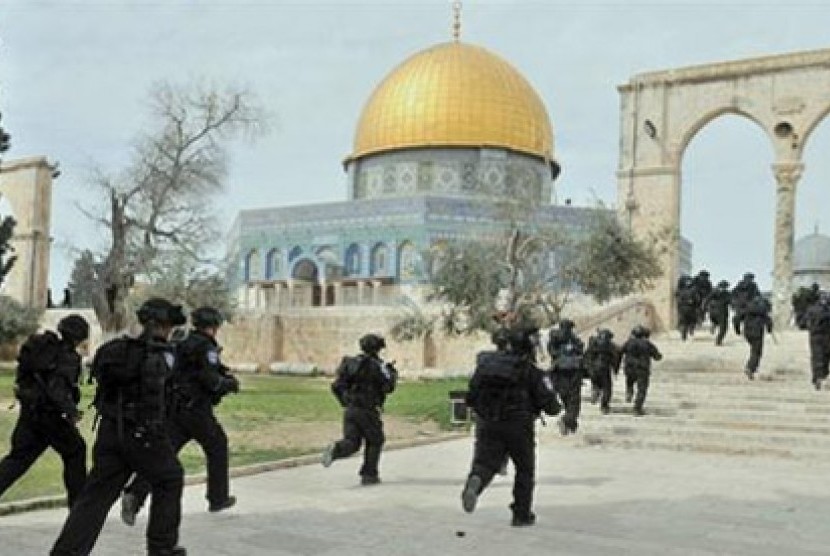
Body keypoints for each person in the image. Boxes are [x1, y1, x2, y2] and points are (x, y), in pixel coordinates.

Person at [50, 298, 188, 556]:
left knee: (95, 498)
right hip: (142, 434)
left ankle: (66, 553)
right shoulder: (160, 354)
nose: (170, 331)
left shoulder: (115, 350)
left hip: (109, 432)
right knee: (170, 478)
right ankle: (162, 549)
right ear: (160, 324)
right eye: (168, 325)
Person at [120, 306, 240, 526]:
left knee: (163, 455)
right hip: (197, 411)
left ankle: (135, 495)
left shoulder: (182, 343)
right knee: (218, 446)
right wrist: (229, 384)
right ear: (213, 327)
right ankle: (218, 497)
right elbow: (209, 379)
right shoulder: (206, 346)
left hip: (176, 410)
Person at [461, 326, 560, 527]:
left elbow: (470, 396)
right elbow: (551, 407)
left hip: (487, 423)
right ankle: (521, 514)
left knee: (486, 463)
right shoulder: (531, 371)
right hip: (518, 426)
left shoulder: (486, 365)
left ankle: (476, 480)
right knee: (524, 470)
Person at [0, 315, 90, 507]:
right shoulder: (67, 357)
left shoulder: (42, 349)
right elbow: (57, 390)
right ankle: (78, 508)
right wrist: (71, 412)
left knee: (18, 459)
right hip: (51, 417)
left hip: (29, 413)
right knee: (76, 451)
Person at [321, 333, 398, 485]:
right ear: (378, 349)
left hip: (350, 409)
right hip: (368, 409)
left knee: (352, 442)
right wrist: (392, 373)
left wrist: (345, 401)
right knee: (376, 440)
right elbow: (388, 387)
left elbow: (336, 385)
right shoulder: (378, 366)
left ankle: (337, 449)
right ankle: (369, 475)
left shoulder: (350, 363)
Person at [546, 318, 584, 435]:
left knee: (567, 397)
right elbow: (580, 351)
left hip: (560, 371)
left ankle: (569, 421)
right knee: (573, 399)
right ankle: (568, 420)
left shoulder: (557, 339)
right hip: (570, 370)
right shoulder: (572, 339)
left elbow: (552, 352)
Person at [619, 325, 662, 416]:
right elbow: (657, 356)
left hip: (629, 368)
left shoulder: (629, 342)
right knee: (642, 389)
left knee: (630, 380)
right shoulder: (647, 344)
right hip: (642, 369)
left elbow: (620, 351)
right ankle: (637, 409)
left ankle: (629, 391)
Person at [584, 328, 621, 414]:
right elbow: (616, 358)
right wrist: (615, 370)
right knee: (607, 388)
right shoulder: (611, 346)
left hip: (593, 369)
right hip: (604, 369)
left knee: (596, 383)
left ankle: (595, 393)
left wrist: (588, 368)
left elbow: (586, 357)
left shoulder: (592, 344)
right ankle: (604, 406)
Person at [737, 295, 773, 380]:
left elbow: (736, 318)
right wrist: (769, 330)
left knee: (754, 350)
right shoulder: (763, 311)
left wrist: (737, 329)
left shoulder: (747, 309)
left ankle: (751, 367)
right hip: (757, 333)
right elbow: (769, 322)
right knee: (757, 352)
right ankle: (750, 368)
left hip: (747, 333)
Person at [802, 293, 830, 390]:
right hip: (827, 336)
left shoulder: (811, 309)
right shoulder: (828, 310)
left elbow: (803, 322)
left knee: (816, 357)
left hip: (814, 336)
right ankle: (823, 375)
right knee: (825, 357)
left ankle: (817, 377)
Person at [705, 280, 732, 346]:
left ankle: (714, 325)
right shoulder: (727, 294)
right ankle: (718, 340)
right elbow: (731, 302)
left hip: (712, 311)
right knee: (724, 328)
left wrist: (705, 308)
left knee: (716, 322)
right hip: (721, 312)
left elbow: (706, 300)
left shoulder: (714, 291)